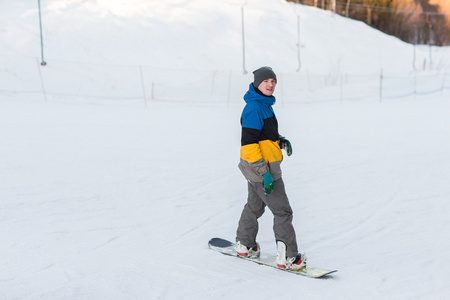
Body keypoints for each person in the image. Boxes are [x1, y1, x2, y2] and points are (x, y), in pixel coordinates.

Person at [235, 66, 306, 270]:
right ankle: (288, 257)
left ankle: (244, 244)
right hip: (262, 170)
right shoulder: (254, 108)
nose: (270, 84)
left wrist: (280, 140)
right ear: (257, 83)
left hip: (256, 169)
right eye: (266, 81)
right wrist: (264, 173)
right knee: (283, 211)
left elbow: (263, 137)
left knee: (254, 206)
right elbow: (249, 146)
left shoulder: (263, 105)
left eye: (273, 81)